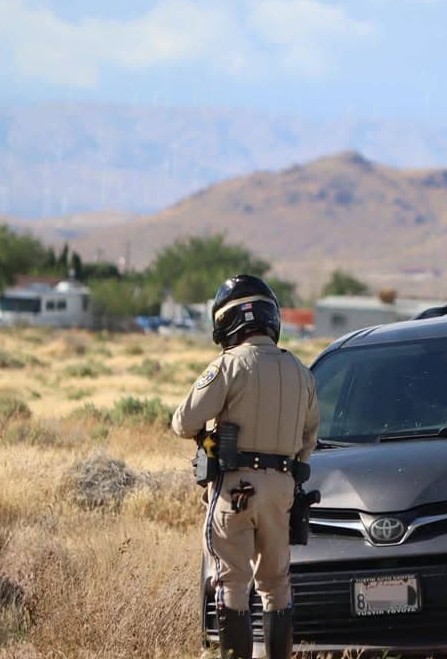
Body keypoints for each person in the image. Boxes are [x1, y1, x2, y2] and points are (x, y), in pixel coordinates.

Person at [171, 275, 319, 659]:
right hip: (282, 489)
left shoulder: (228, 366)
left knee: (232, 582)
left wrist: (208, 441)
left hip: (235, 488)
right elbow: (309, 437)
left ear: (227, 321)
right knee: (276, 584)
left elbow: (183, 422)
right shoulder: (301, 372)